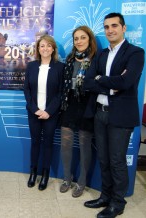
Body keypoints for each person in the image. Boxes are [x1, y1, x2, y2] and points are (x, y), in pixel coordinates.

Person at [83, 13, 145, 218]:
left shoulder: (135, 53)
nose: (110, 30)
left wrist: (102, 80)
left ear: (124, 28)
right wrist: (109, 83)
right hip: (100, 114)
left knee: (117, 160)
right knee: (103, 159)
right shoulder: (100, 54)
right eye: (107, 26)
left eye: (115, 26)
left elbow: (126, 83)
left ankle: (118, 203)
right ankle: (105, 196)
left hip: (120, 117)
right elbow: (88, 82)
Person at [59, 26, 97, 198]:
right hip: (69, 105)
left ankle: (81, 182)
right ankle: (67, 178)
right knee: (65, 145)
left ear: (89, 39)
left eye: (83, 37)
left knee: (84, 146)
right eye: (76, 38)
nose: (79, 41)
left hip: (87, 106)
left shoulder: (96, 59)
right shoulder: (69, 59)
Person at [24, 34, 64, 190]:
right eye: (42, 46)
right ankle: (33, 172)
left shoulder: (60, 67)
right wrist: (34, 109)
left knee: (48, 143)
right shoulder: (32, 66)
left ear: (53, 48)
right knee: (35, 142)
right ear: (38, 49)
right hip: (33, 112)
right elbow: (26, 89)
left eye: (48, 45)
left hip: (51, 114)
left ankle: (45, 174)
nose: (45, 48)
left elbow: (61, 92)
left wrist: (48, 111)